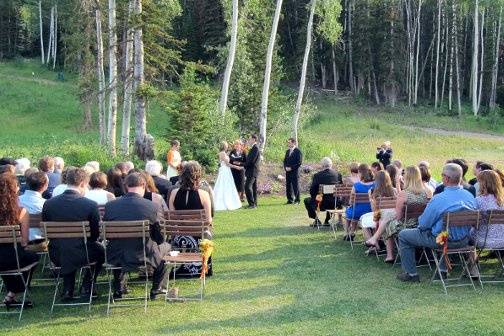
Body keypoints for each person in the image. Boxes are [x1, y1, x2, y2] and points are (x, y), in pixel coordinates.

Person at [397, 163, 476, 282]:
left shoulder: (439, 199)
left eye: (442, 175)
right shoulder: (470, 197)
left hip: (441, 241)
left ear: (446, 178)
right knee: (444, 231)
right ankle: (442, 271)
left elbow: (423, 224)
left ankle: (411, 274)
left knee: (404, 235)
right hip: (463, 240)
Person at [103, 173, 170, 300]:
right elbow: (160, 237)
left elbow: (106, 233)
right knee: (165, 247)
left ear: (126, 186)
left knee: (122, 245)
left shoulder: (111, 206)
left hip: (116, 254)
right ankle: (157, 289)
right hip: (144, 254)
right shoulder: (152, 206)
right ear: (144, 186)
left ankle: (119, 288)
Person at [42, 168, 105, 300]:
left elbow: (47, 229)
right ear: (82, 184)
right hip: (82, 253)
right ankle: (87, 285)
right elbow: (94, 235)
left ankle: (67, 289)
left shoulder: (49, 204)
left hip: (56, 253)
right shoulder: (90, 205)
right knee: (100, 251)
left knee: (67, 248)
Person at [366, 166, 431, 262]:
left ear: (407, 177)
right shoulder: (427, 192)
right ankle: (375, 239)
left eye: (404, 174)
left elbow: (399, 216)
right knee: (387, 216)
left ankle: (389, 254)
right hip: (420, 223)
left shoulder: (404, 194)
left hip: (405, 225)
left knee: (387, 221)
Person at [0, 172, 39, 308]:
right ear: (14, 189)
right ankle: (15, 291)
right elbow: (24, 241)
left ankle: (12, 292)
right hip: (14, 256)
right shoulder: (21, 212)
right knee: (32, 257)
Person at [168, 161, 213, 277]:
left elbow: (172, 218)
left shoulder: (173, 192)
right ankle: (202, 265)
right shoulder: (204, 194)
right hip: (199, 237)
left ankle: (182, 265)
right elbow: (208, 219)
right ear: (198, 175)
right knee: (208, 231)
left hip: (179, 237)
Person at [360, 171, 397, 248]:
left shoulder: (373, 191)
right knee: (365, 218)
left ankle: (376, 247)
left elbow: (374, 210)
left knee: (363, 221)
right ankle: (376, 242)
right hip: (393, 218)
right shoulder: (394, 191)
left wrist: (370, 199)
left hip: (379, 217)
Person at [303, 157, 343, 226]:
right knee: (331, 198)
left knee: (307, 201)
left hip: (321, 204)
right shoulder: (338, 175)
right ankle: (327, 220)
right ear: (331, 165)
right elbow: (341, 189)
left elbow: (312, 191)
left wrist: (316, 197)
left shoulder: (317, 175)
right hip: (335, 203)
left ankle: (316, 220)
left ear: (322, 166)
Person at [472, 170, 504, 249]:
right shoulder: (502, 200)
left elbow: (473, 222)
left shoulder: (478, 201)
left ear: (482, 184)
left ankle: (470, 257)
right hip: (502, 240)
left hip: (483, 240)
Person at [344, 163, 375, 241]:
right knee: (352, 212)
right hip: (371, 211)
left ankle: (347, 233)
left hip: (357, 212)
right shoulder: (375, 185)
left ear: (360, 173)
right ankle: (352, 232)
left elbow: (351, 201)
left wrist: (350, 205)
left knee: (349, 213)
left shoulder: (356, 185)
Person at [18, 171, 48, 242]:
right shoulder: (46, 204)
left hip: (19, 242)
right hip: (41, 242)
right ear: (45, 186)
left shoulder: (17, 201)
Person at [213, 141, 243, 211]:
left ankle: (231, 200)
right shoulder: (222, 153)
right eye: (226, 145)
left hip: (227, 171)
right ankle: (223, 202)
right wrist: (236, 167)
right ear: (224, 146)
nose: (227, 146)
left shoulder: (224, 153)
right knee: (223, 185)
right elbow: (227, 164)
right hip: (224, 170)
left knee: (228, 185)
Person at [283, 138, 303, 205]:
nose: (288, 143)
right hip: (287, 171)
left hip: (294, 171)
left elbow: (299, 162)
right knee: (288, 186)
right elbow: (285, 161)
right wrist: (285, 167)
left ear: (293, 143)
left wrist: (291, 168)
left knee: (295, 186)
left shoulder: (298, 151)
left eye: (289, 142)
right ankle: (290, 200)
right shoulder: (287, 151)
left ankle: (297, 200)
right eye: (288, 142)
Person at [244, 134, 260, 209]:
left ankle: (252, 204)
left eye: (250, 139)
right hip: (252, 170)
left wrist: (242, 164)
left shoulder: (255, 148)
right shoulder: (253, 148)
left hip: (253, 171)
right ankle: (254, 204)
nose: (248, 140)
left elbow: (251, 161)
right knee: (253, 188)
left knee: (247, 186)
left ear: (254, 139)